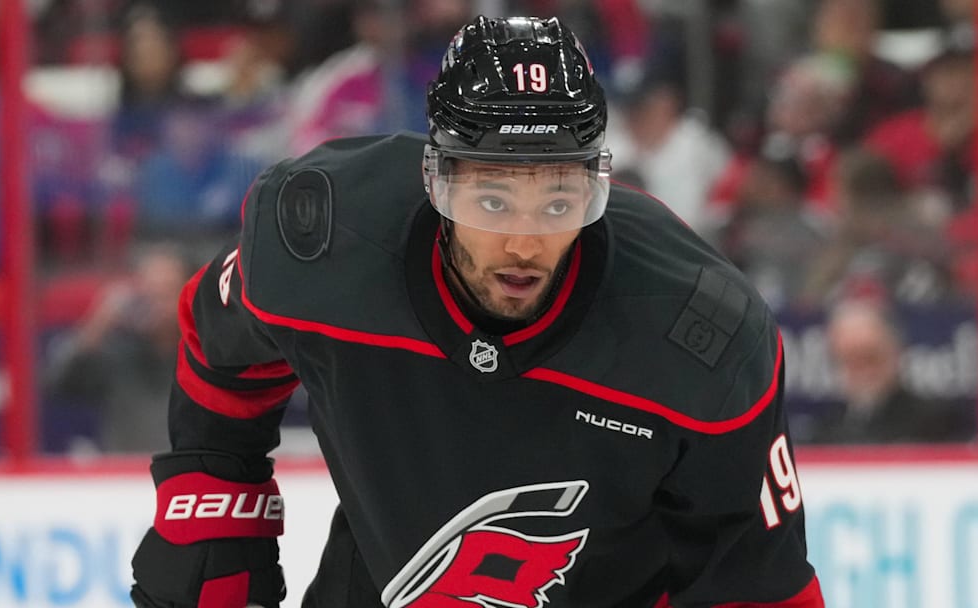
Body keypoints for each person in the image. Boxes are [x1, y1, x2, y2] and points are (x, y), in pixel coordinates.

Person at [129, 16, 823, 608]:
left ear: (595, 188)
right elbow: (218, 342)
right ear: (437, 181)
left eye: (557, 202)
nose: (524, 243)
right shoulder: (327, 239)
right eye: (492, 201)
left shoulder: (700, 333)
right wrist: (212, 513)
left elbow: (760, 586)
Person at [45, 243, 193, 453]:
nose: (156, 304)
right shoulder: (116, 354)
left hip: (193, 479)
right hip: (126, 480)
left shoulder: (210, 354)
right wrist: (97, 324)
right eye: (149, 292)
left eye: (166, 292)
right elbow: (56, 383)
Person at [812, 298, 975, 443]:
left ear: (895, 352)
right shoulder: (826, 431)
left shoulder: (936, 423)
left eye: (870, 357)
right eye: (851, 360)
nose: (863, 370)